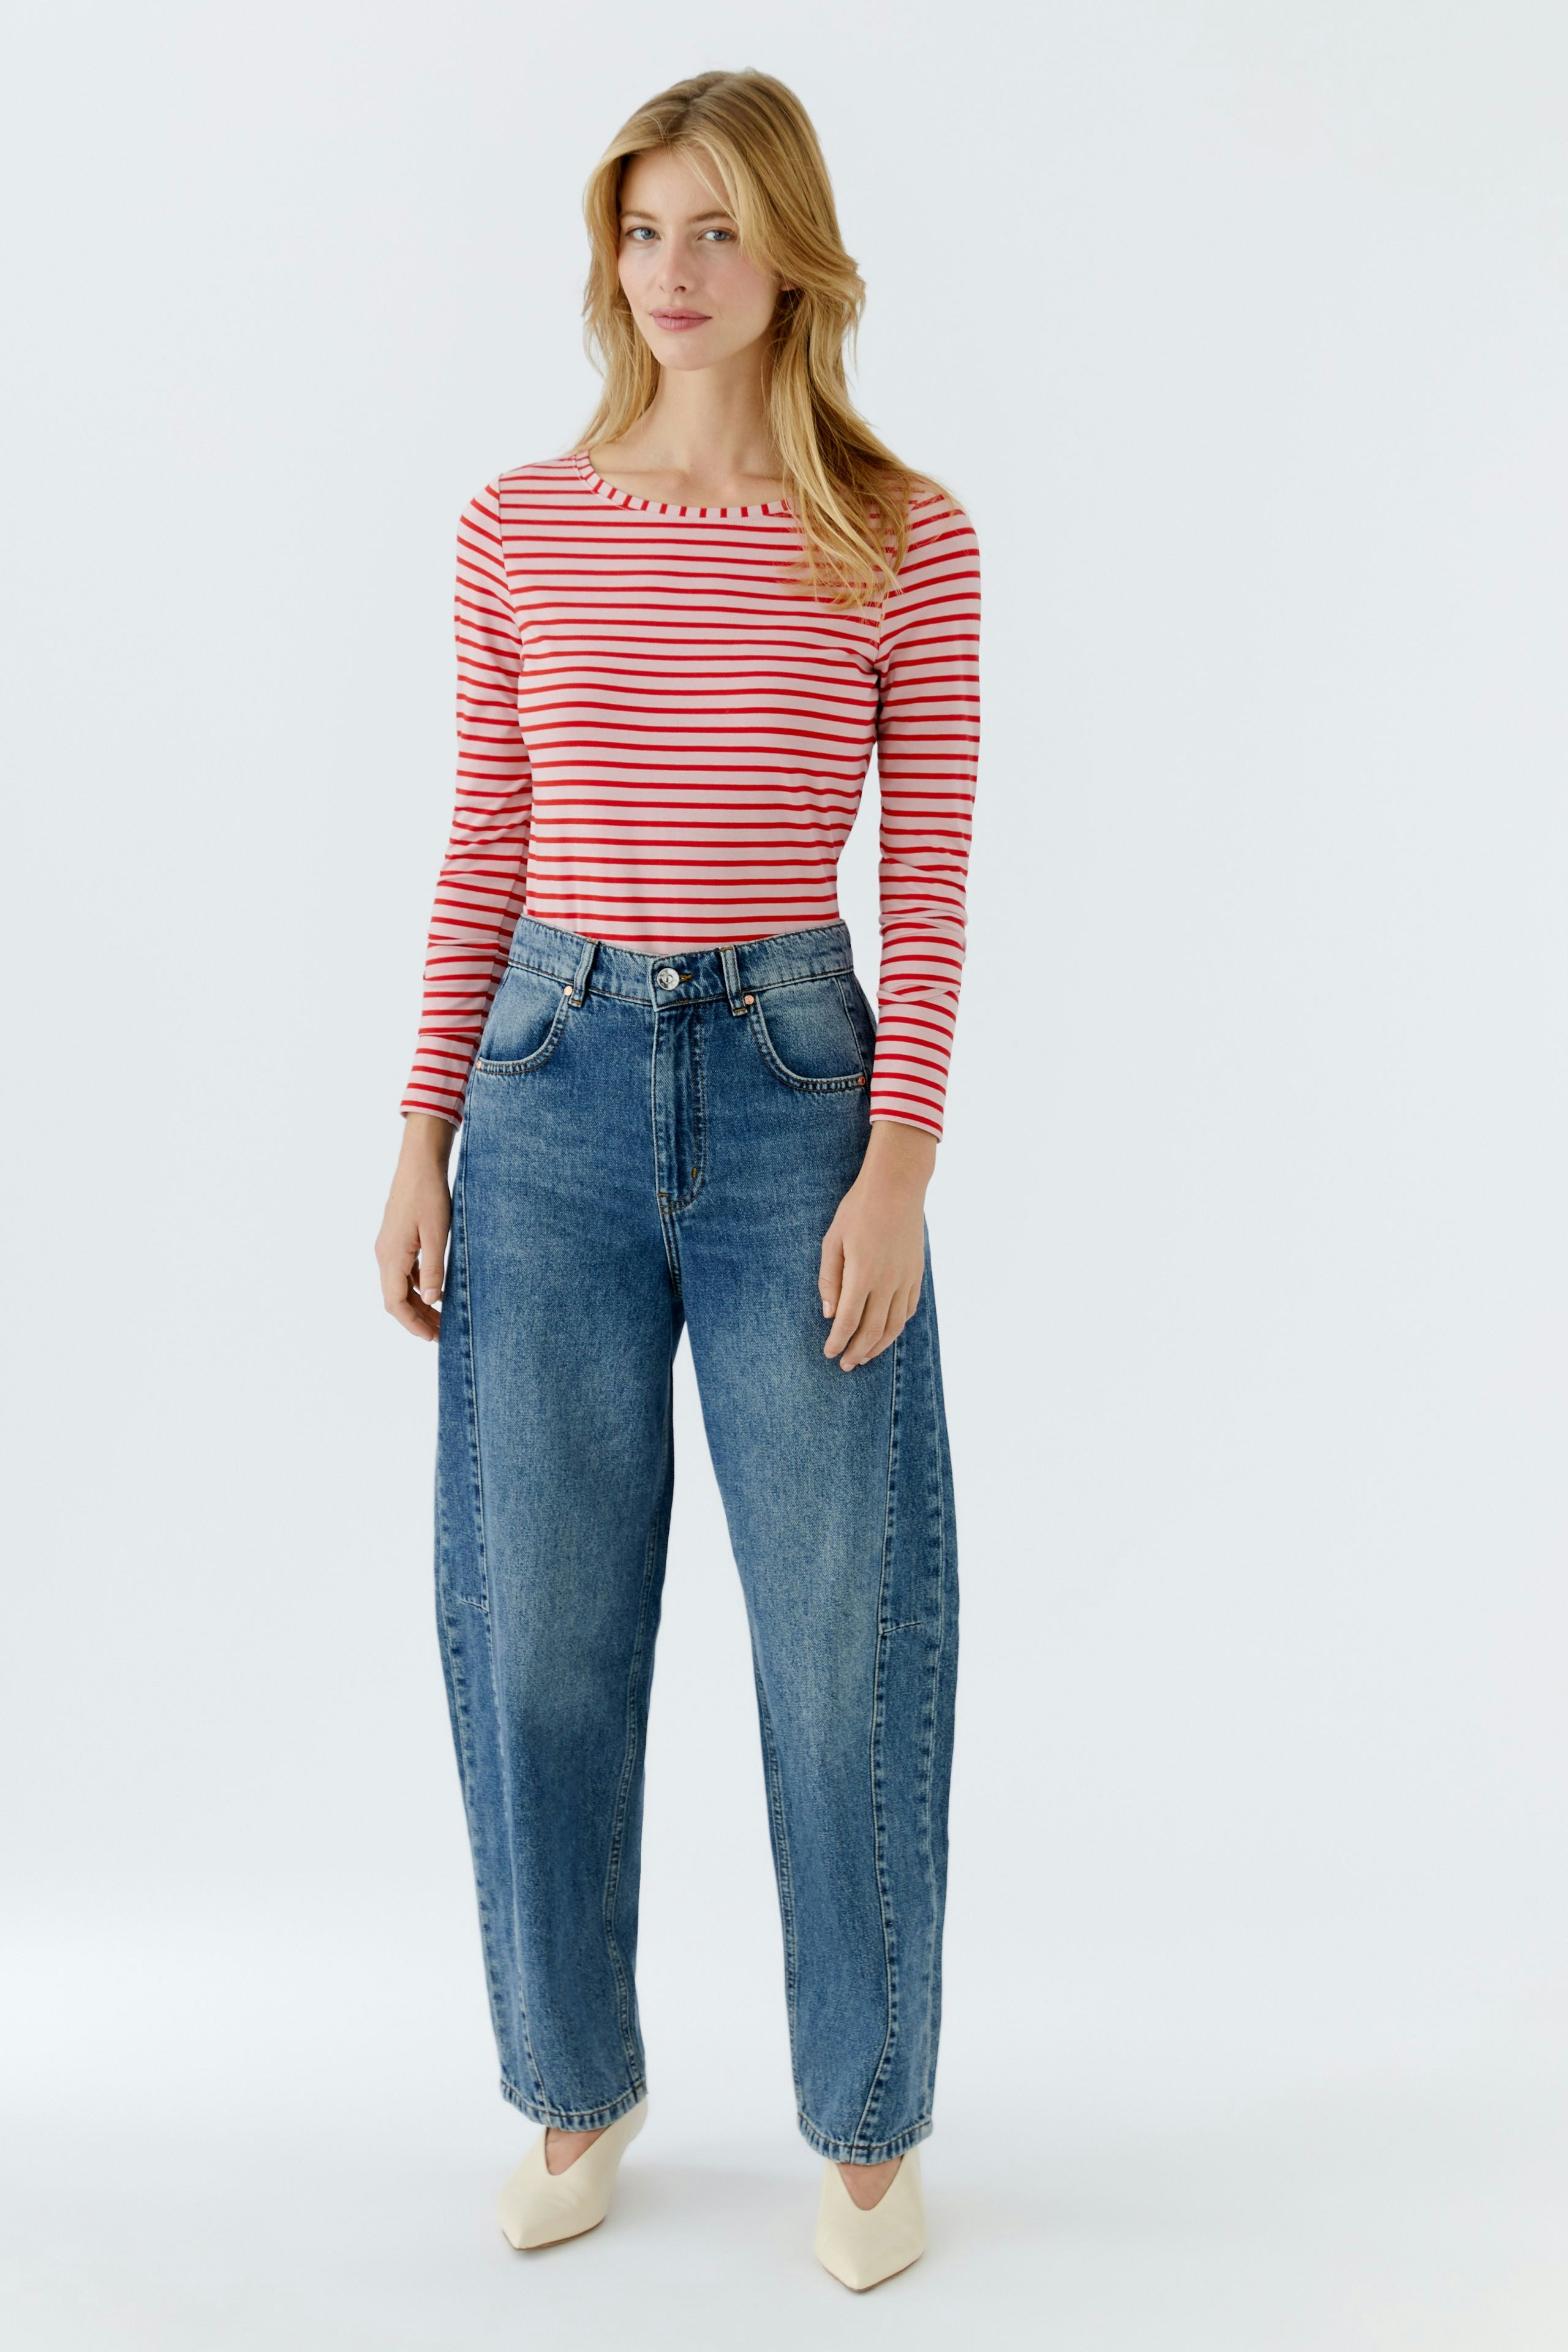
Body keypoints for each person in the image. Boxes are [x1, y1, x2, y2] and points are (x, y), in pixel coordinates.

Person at [374, 66, 981, 2293]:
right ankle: (575, 2081)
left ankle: (867, 2118)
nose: (674, 272)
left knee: (842, 1630)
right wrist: (420, 1130)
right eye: (643, 231)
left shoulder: (902, 534)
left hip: (801, 1090)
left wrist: (899, 1159)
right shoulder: (519, 524)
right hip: (542, 1085)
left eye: (717, 230)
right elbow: (486, 832)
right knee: (540, 1616)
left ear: (794, 255)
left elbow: (929, 876)